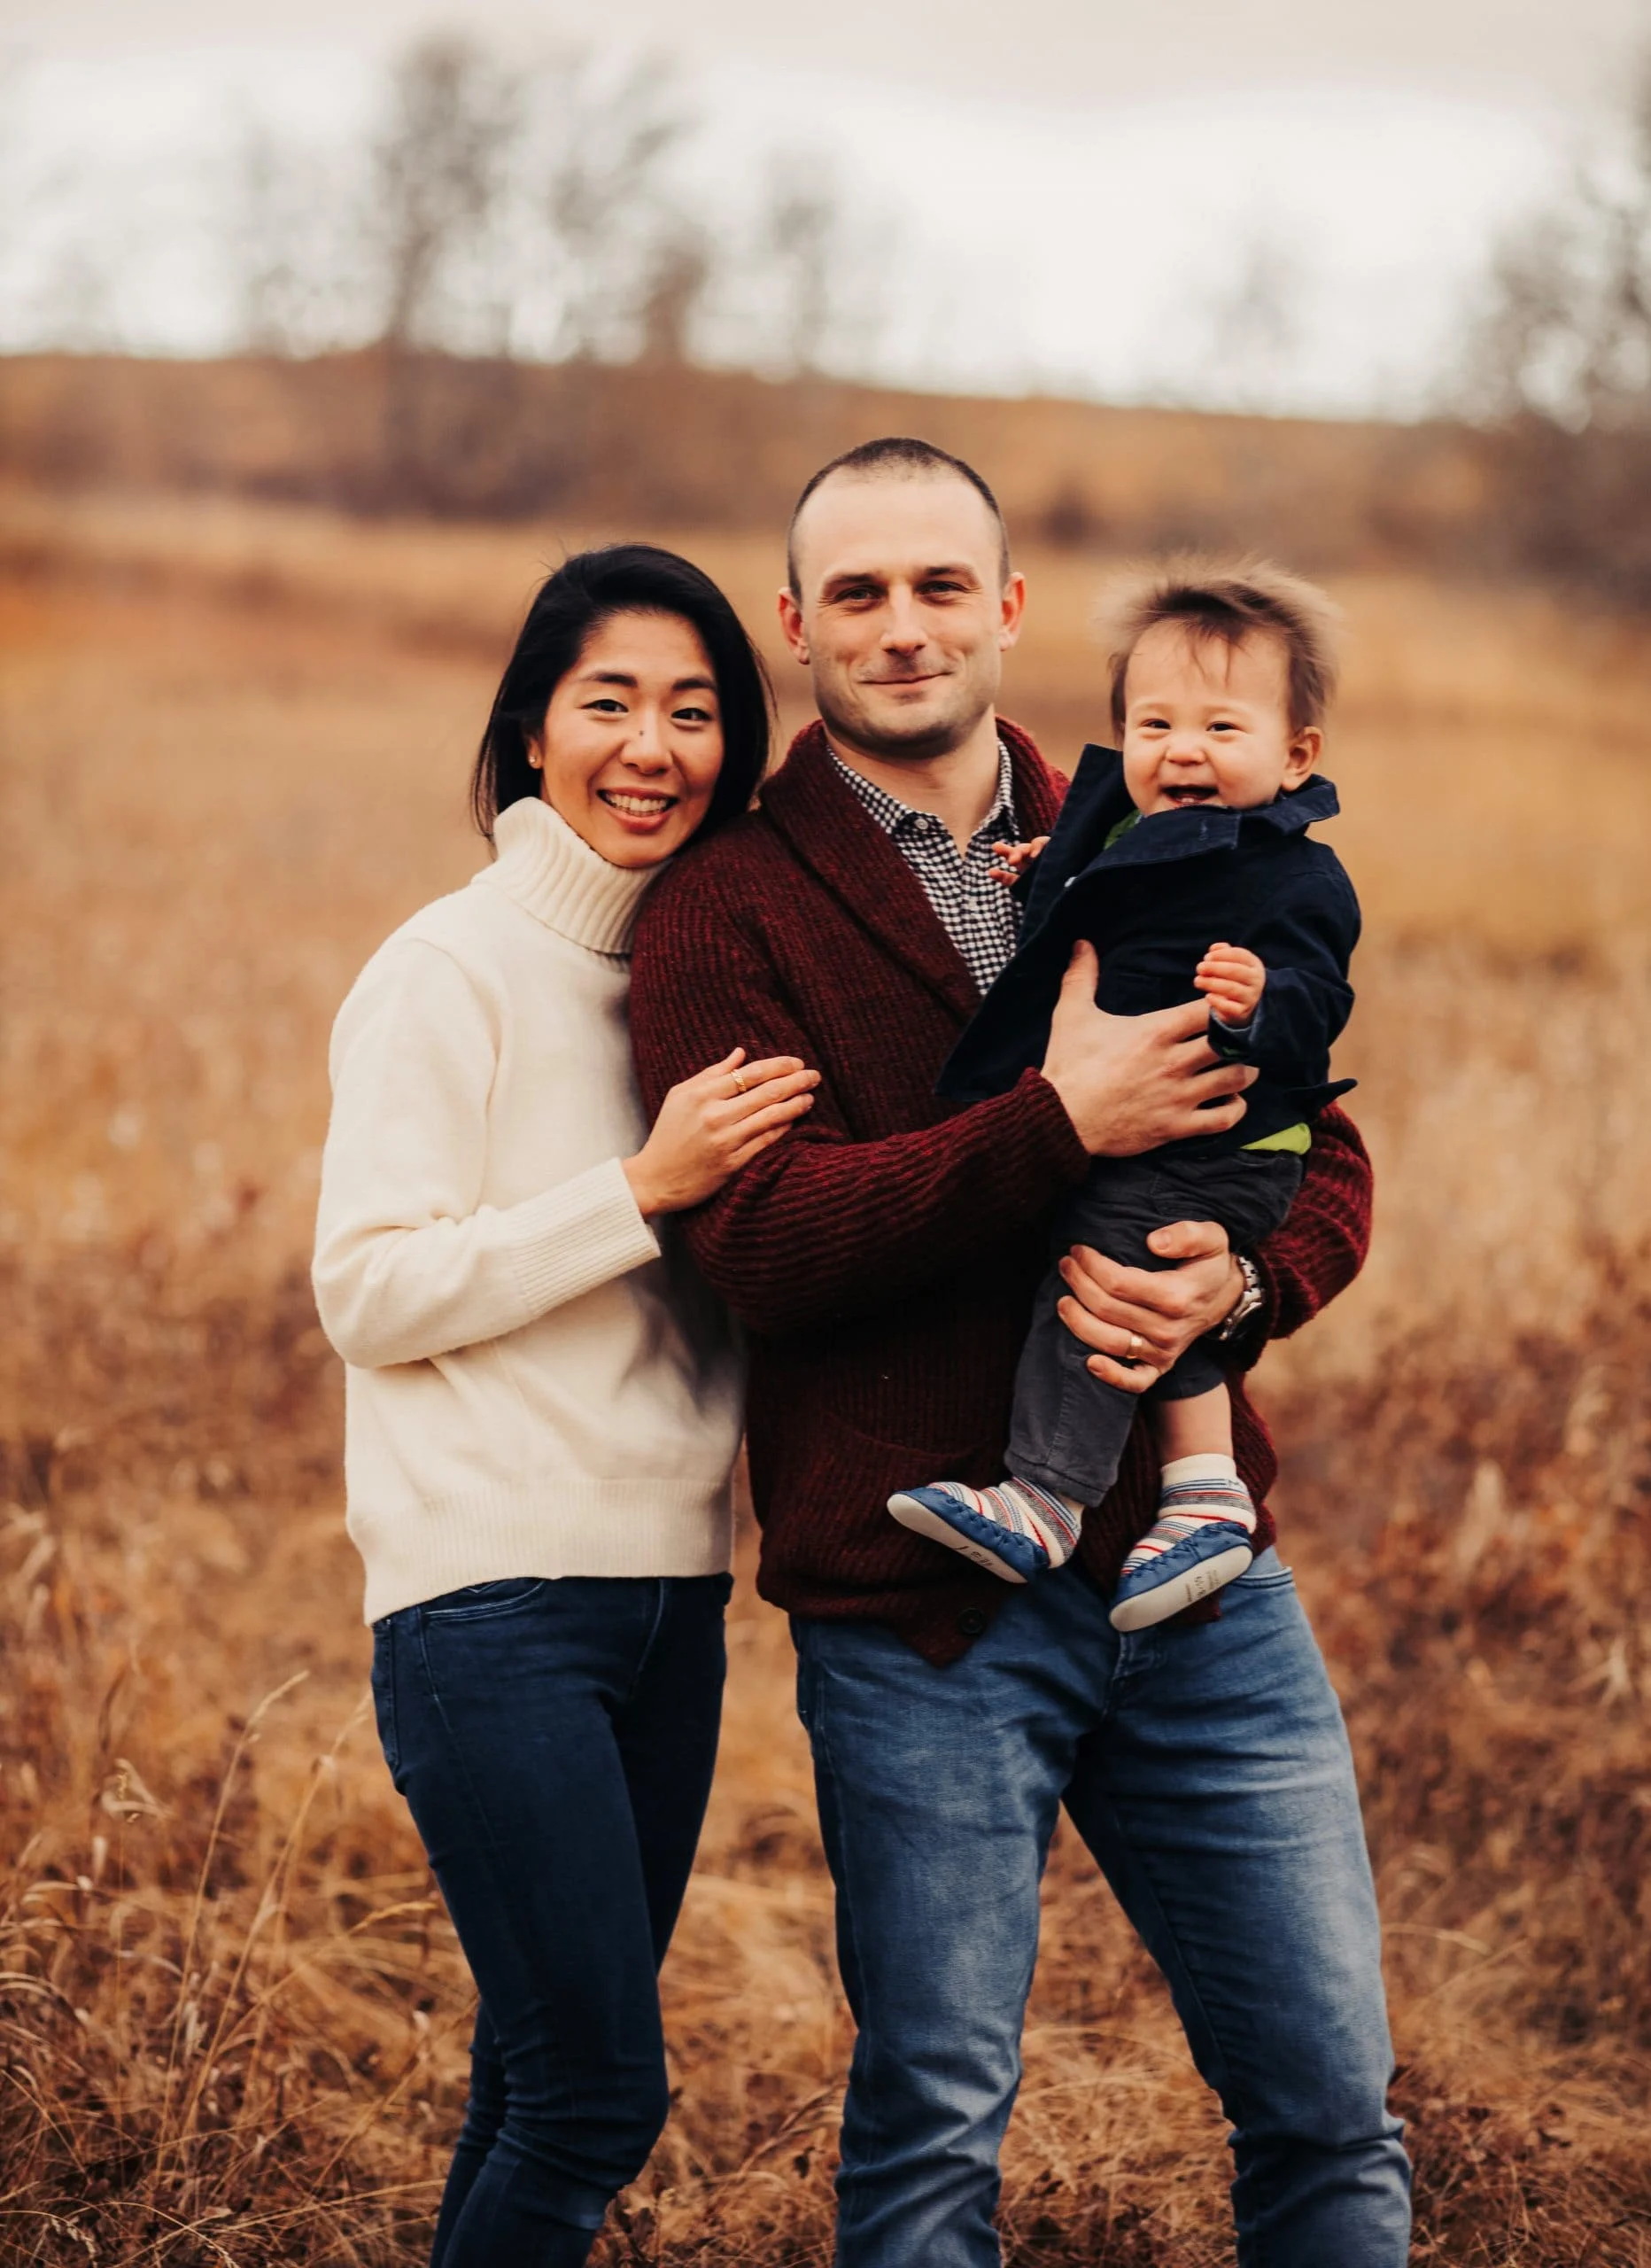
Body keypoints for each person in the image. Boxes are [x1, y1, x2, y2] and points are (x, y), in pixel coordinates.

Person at [629, 439, 1411, 2267]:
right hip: (924, 1604)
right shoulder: (725, 906)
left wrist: (1239, 1287)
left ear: (1007, 605)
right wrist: (1055, 1123)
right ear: (795, 621)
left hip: (1196, 1580)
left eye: (937, 585)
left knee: (1329, 2110)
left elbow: (1317, 1140)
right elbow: (761, 1246)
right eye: (857, 592)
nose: (901, 628)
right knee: (930, 2135)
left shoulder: (1162, 814)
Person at [311, 545, 821, 2268]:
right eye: (608, 701)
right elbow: (367, 1287)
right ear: (531, 727)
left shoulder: (709, 977)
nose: (650, 747)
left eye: (694, 710)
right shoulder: (445, 967)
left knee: (529, 2083)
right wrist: (640, 1186)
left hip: (671, 1598)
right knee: (597, 2099)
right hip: (490, 1603)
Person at [888, 561, 1360, 1632]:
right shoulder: (1123, 832)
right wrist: (1045, 873)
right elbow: (1103, 902)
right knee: (1125, 1265)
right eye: (1154, 725)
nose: (1181, 749)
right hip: (1147, 1138)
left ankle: (1050, 1494)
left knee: (1106, 1271)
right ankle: (1202, 1492)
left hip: (1222, 1142)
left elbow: (1322, 1003)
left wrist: (1263, 1001)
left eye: (1220, 727)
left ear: (1296, 755)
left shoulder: (1294, 877)